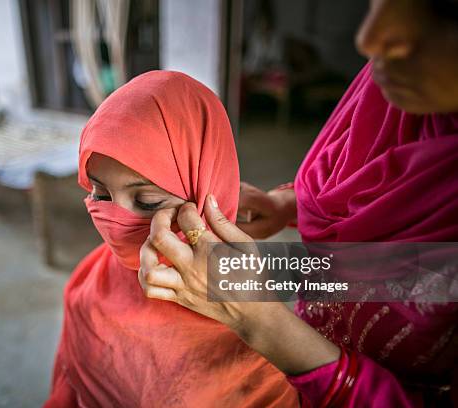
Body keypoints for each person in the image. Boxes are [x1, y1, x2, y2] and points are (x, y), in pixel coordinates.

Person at [139, 0, 458, 406]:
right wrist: (288, 205)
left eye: (447, 13)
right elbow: (349, 250)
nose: (368, 39)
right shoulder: (386, 97)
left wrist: (259, 320)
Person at [44, 71, 298, 407]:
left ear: (208, 185)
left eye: (147, 202)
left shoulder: (262, 331)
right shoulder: (90, 284)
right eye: (100, 194)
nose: (118, 223)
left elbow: (371, 275)